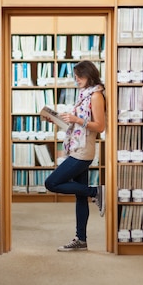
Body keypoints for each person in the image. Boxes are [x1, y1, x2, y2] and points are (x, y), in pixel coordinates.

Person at [43, 60, 106, 252]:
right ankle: (81, 239)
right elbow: (78, 125)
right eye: (75, 76)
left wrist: (76, 119)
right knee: (80, 195)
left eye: (79, 75)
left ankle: (96, 192)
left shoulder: (96, 96)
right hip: (76, 146)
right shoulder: (83, 94)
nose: (76, 79)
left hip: (83, 151)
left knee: (51, 183)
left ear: (89, 74)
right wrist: (57, 119)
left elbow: (100, 127)